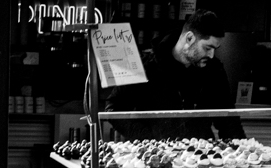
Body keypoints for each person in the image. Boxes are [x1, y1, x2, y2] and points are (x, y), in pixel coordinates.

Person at [105, 8, 246, 141]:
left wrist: (242, 155)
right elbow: (114, 109)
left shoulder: (214, 70)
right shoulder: (146, 65)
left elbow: (229, 121)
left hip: (200, 157)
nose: (211, 55)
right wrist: (149, 140)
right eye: (207, 48)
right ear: (189, 38)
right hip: (154, 158)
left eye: (215, 49)